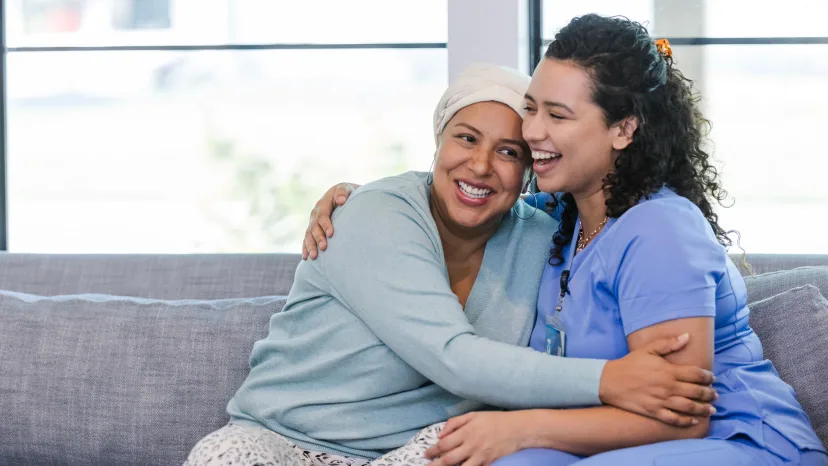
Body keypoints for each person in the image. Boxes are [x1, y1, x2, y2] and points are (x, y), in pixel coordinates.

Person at [302, 15, 827, 466]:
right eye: (531, 108)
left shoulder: (660, 231)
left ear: (623, 130)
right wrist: (363, 199)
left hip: (735, 441)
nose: (531, 132)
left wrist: (523, 427)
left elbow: (681, 419)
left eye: (558, 115)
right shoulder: (559, 218)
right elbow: (472, 192)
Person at [182, 62, 718, 466]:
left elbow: (606, 198)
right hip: (280, 441)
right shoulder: (376, 213)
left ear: (531, 168)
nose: (481, 166)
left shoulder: (543, 229)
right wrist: (610, 380)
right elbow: (453, 357)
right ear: (438, 141)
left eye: (510, 153)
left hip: (413, 449)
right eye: (466, 138)